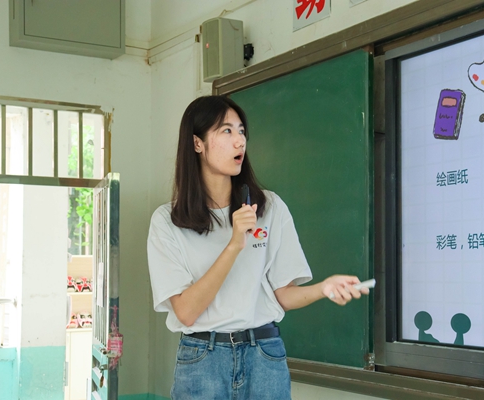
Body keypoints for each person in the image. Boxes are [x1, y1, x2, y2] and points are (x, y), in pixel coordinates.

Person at [147, 95, 369, 400]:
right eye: (227, 131)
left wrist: (323, 288)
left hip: (264, 355)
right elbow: (186, 312)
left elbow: (282, 294)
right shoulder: (167, 221)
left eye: (241, 131)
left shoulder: (270, 207)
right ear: (197, 143)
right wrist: (234, 244)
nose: (240, 141)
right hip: (202, 359)